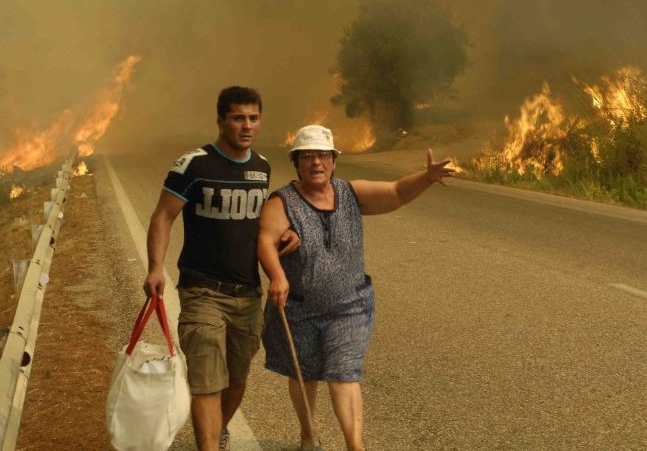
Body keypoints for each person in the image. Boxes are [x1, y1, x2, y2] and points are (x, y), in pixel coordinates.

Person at [257, 125, 454, 451]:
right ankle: (308, 435)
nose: (316, 162)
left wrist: (425, 178)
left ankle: (355, 445)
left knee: (344, 373)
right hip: (299, 308)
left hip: (349, 306)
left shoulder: (349, 193)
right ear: (297, 162)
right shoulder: (283, 202)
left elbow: (394, 194)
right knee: (304, 375)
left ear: (334, 161)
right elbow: (265, 239)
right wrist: (277, 275)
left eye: (323, 155)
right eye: (307, 156)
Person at [143, 86, 299, 451]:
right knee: (207, 381)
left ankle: (218, 429)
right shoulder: (194, 165)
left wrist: (285, 232)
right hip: (202, 291)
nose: (247, 126)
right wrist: (155, 268)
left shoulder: (261, 168)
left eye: (253, 118)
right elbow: (163, 216)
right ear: (221, 120)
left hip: (247, 293)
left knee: (236, 380)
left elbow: (258, 224)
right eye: (238, 118)